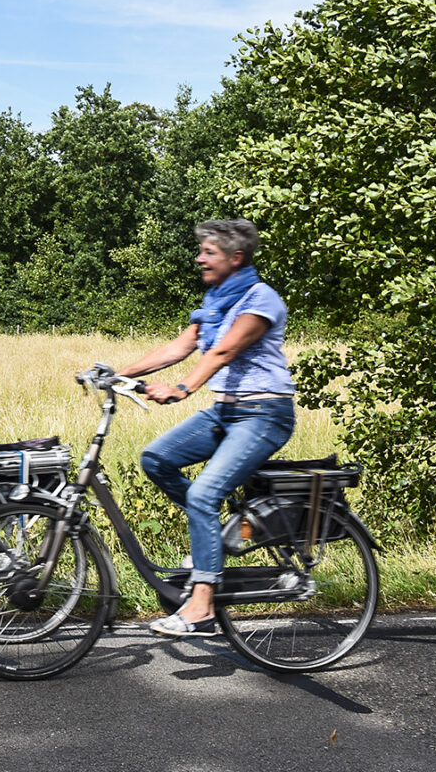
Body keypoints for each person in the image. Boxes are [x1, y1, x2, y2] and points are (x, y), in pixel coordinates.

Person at [117, 219, 294, 638]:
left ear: (236, 258)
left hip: (264, 414)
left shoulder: (260, 300)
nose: (199, 258)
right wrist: (116, 372)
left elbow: (224, 350)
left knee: (202, 493)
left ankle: (201, 608)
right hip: (226, 413)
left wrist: (182, 388)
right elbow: (180, 347)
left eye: (208, 252)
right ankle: (211, 537)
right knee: (157, 459)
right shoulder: (215, 300)